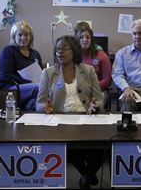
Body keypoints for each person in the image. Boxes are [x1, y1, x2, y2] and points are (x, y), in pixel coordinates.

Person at [36, 35, 104, 189]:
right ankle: (87, 175)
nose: (60, 52)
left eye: (64, 49)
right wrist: (45, 108)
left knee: (102, 143)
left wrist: (96, 106)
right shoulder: (48, 73)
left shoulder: (89, 70)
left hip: (87, 118)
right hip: (60, 119)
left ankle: (86, 174)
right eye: (57, 49)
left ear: (74, 50)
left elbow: (99, 98)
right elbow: (39, 102)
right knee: (68, 143)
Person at [0, 20, 42, 111]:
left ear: (30, 36)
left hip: (29, 88)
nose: (23, 38)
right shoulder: (8, 51)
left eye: (26, 35)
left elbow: (41, 74)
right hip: (10, 88)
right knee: (38, 88)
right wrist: (28, 82)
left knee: (33, 103)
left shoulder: (35, 54)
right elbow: (5, 75)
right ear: (14, 36)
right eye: (20, 35)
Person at [74, 21, 112, 92]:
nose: (85, 40)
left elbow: (107, 79)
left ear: (91, 39)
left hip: (96, 90)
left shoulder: (101, 55)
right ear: (77, 39)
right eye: (82, 37)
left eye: (88, 37)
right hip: (75, 90)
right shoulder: (72, 55)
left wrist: (92, 88)